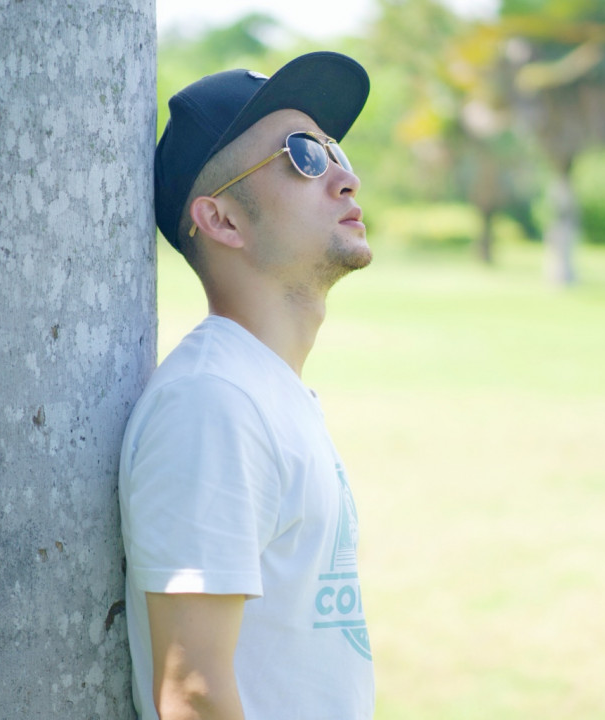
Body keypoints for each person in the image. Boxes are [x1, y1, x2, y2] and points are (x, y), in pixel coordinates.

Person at [118, 51, 374, 720]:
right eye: (303, 157)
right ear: (222, 220)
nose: (345, 177)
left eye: (335, 150)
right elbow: (192, 694)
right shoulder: (213, 403)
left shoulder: (261, 390)